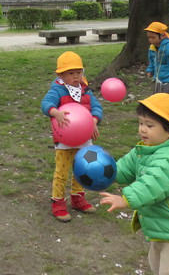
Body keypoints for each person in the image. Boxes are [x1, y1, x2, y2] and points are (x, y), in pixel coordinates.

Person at [100, 94, 169, 275]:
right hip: (162, 228)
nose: (142, 129)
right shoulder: (144, 150)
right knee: (156, 266)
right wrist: (105, 172)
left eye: (149, 125)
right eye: (140, 123)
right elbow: (125, 168)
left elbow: (152, 185)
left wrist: (126, 199)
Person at [41, 51, 103, 222]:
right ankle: (58, 202)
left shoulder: (85, 90)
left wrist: (94, 121)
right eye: (71, 73)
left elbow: (96, 107)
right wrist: (55, 112)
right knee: (62, 172)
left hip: (84, 139)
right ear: (61, 75)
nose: (76, 76)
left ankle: (78, 198)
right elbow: (46, 103)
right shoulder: (58, 89)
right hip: (64, 140)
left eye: (78, 72)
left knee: (81, 170)